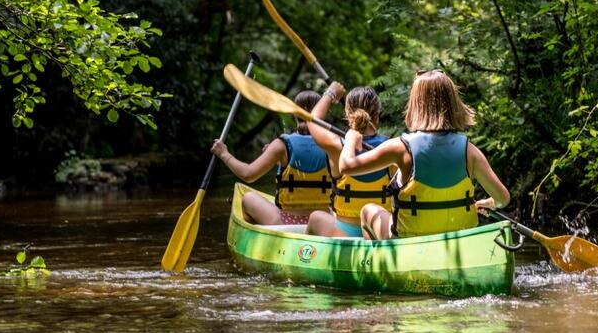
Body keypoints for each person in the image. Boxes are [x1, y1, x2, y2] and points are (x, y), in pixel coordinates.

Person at [338, 69, 510, 239]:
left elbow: (346, 166)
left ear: (415, 104)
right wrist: (489, 203)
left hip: (409, 242)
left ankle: (380, 264)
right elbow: (503, 198)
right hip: (457, 240)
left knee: (368, 210)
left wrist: (351, 137)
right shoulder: (469, 151)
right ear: (453, 104)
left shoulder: (400, 147)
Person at [210, 90, 331, 225]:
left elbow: (248, 174)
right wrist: (281, 162)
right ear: (323, 112)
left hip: (287, 223)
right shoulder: (333, 144)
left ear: (294, 113)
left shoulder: (281, 145)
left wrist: (224, 154)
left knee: (248, 198)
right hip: (323, 223)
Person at [305, 83, 392, 237]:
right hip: (378, 230)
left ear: (347, 115)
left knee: (315, 217)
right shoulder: (393, 148)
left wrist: (331, 93)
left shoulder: (336, 146)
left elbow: (312, 120)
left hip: (345, 234)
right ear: (377, 115)